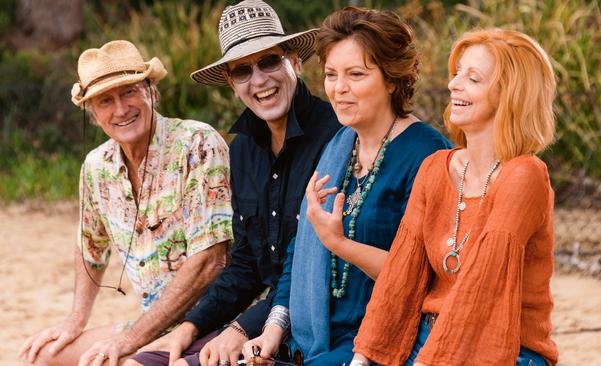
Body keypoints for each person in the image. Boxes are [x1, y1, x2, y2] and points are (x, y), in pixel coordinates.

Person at [130, 1, 341, 365]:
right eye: (243, 70)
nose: (259, 80)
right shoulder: (242, 149)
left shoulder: (335, 135)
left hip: (312, 327)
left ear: (294, 60)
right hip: (261, 321)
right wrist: (191, 325)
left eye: (269, 61)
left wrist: (241, 328)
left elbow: (317, 266)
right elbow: (245, 264)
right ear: (230, 82)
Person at [242, 7, 452, 365]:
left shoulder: (427, 156)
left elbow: (423, 276)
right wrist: (274, 329)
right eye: (330, 74)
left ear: (391, 79)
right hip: (314, 340)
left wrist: (339, 243)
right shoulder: (340, 146)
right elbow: (301, 248)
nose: (339, 89)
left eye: (356, 74)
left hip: (384, 342)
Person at [18, 40, 233, 366]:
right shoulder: (96, 165)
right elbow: (89, 245)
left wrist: (128, 341)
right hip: (150, 327)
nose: (121, 109)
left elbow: (210, 261)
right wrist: (75, 320)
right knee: (43, 356)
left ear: (151, 92)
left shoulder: (197, 143)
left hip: (214, 323)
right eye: (106, 100)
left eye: (130, 92)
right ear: (93, 113)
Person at [351, 28, 559, 366]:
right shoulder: (434, 168)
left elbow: (483, 286)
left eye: (473, 78)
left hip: (506, 349)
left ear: (510, 95)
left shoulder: (524, 174)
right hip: (427, 339)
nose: (453, 84)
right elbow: (400, 277)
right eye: (457, 72)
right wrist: (363, 358)